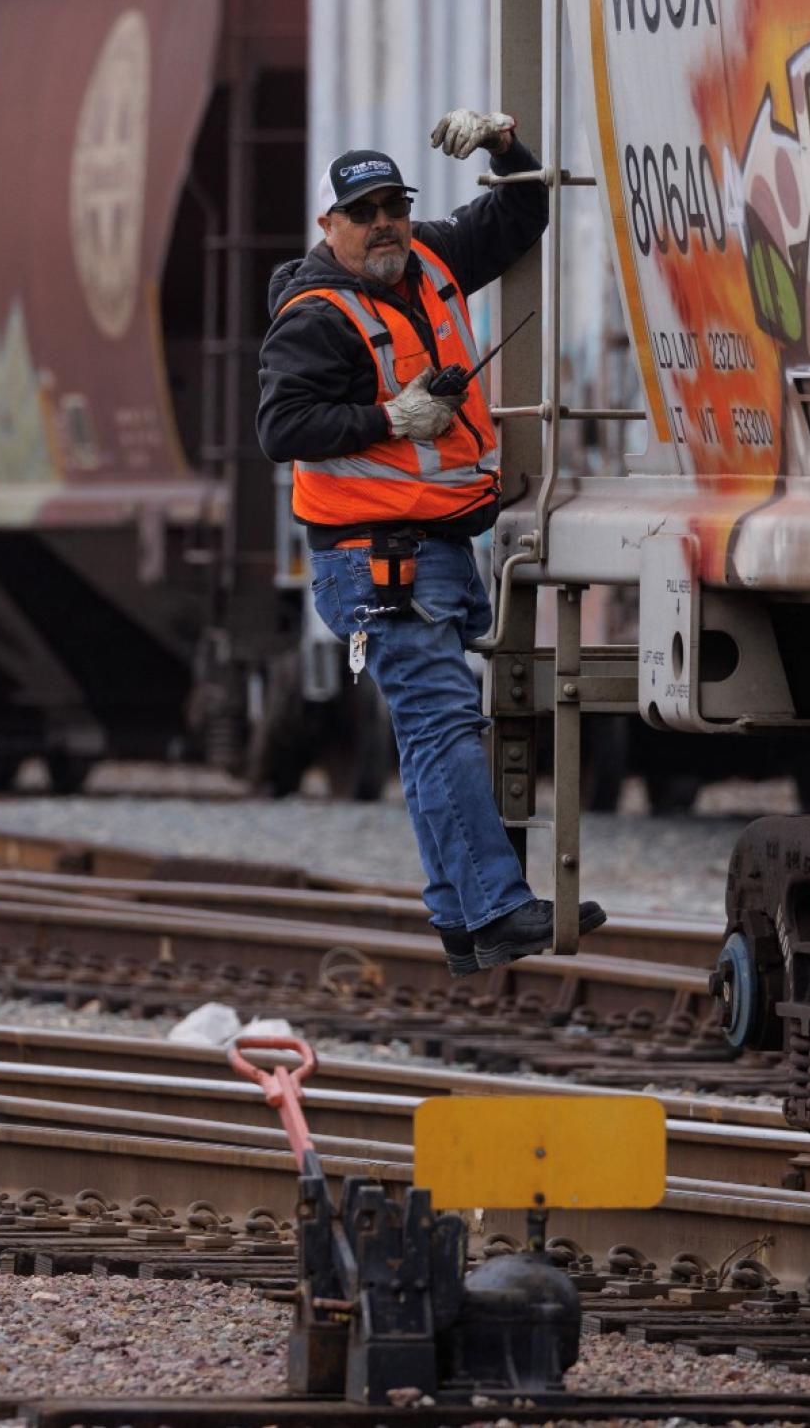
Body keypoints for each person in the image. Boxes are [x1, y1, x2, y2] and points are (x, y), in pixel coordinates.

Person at [256, 108, 608, 973]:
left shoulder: (431, 260)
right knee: (446, 724)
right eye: (365, 210)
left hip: (434, 550)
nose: (384, 224)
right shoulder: (315, 316)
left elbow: (521, 213)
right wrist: (391, 414)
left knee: (428, 733)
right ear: (328, 226)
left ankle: (461, 921)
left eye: (394, 207)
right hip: (371, 558)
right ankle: (497, 906)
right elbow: (280, 425)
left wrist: (503, 143)